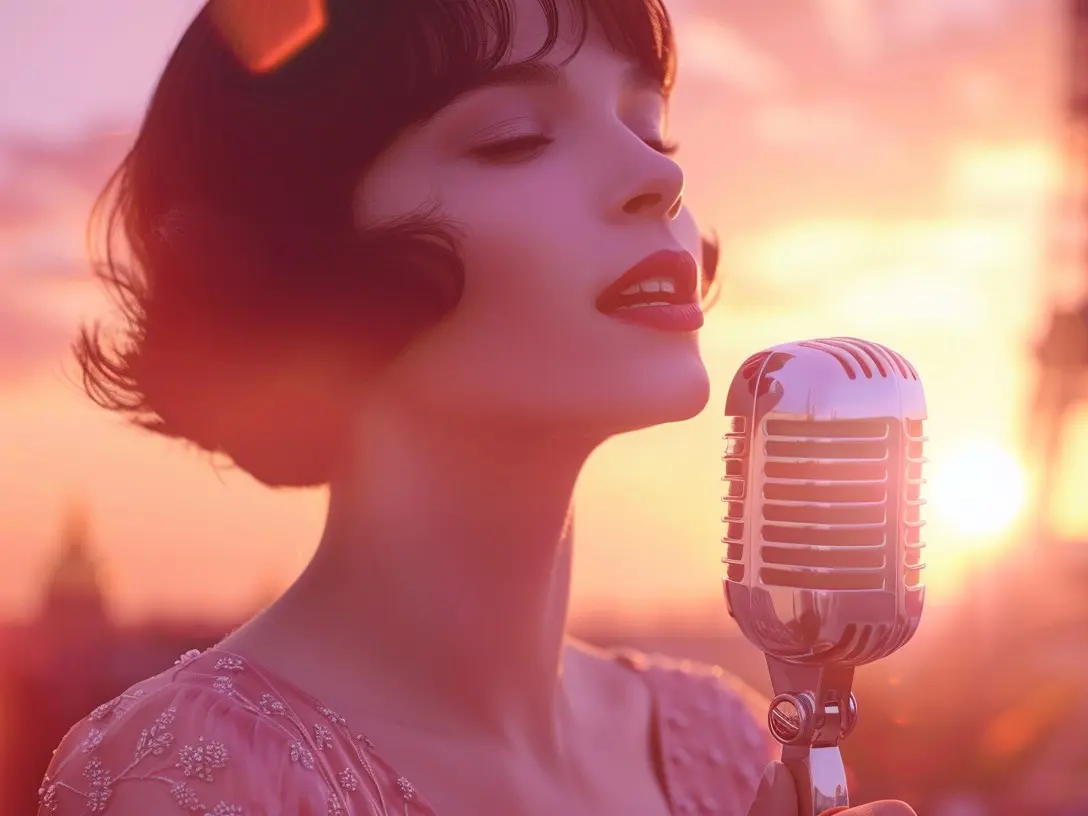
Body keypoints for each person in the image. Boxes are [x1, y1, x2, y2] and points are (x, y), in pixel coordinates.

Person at [38, 1, 915, 814]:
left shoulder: (728, 742)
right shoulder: (202, 776)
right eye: (515, 138)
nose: (659, 174)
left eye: (648, 125)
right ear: (300, 271)